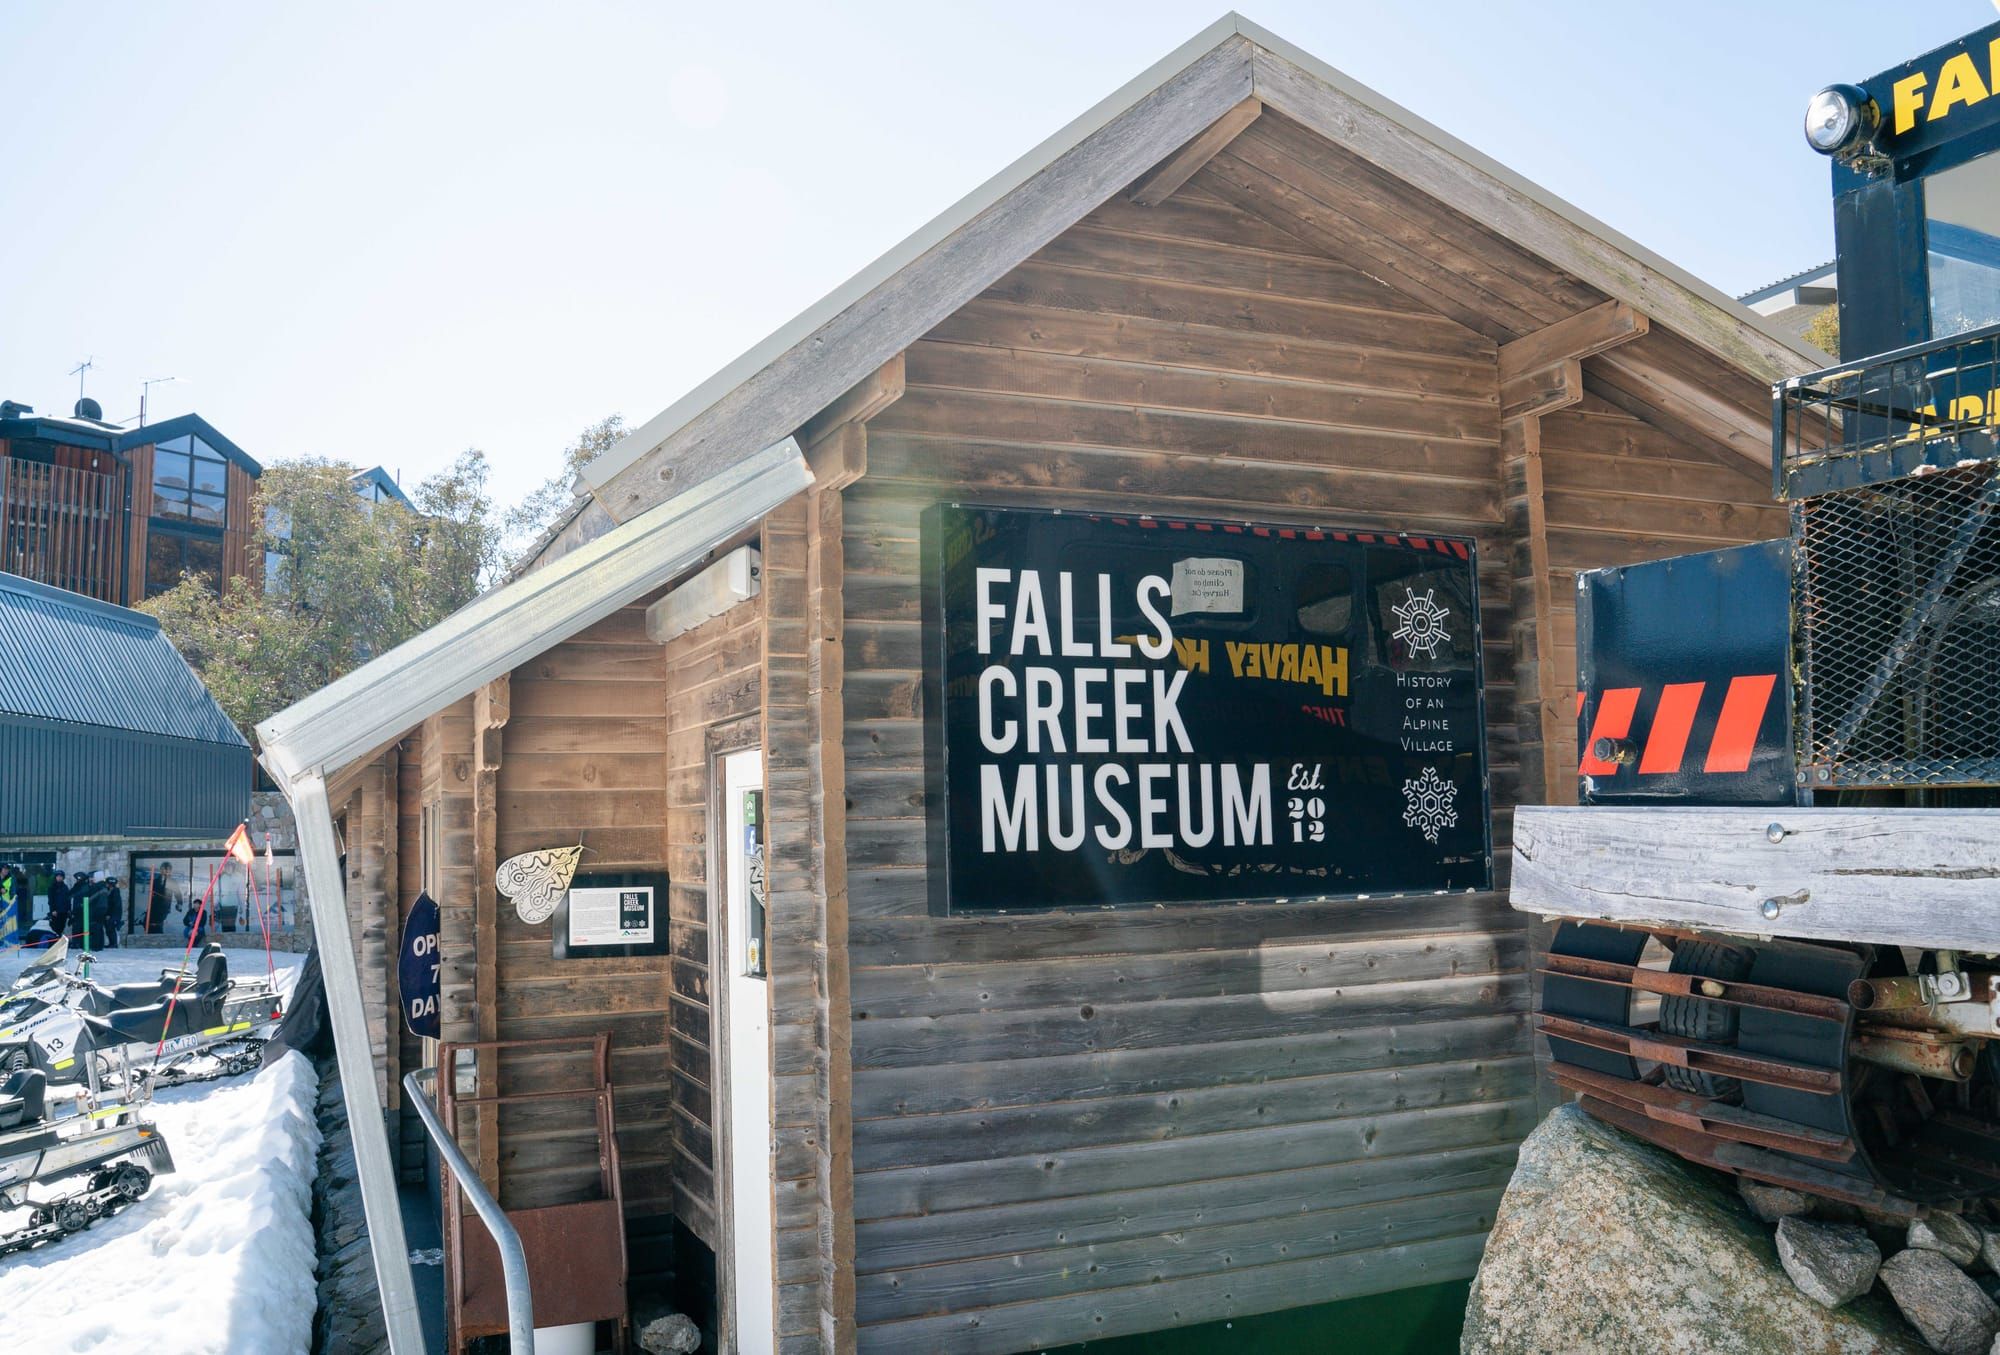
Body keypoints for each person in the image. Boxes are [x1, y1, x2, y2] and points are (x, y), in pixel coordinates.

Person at [47, 870, 70, 941]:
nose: (59, 878)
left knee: (62, 927)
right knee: (55, 927)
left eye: (61, 877)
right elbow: (51, 900)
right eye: (58, 876)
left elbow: (67, 899)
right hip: (56, 911)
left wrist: (68, 910)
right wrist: (53, 910)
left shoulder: (65, 887)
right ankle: (55, 941)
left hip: (64, 911)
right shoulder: (52, 887)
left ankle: (59, 940)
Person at [148, 864, 170, 933]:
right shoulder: (155, 881)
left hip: (164, 907)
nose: (163, 871)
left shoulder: (170, 882)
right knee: (152, 923)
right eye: (162, 869)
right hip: (155, 906)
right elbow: (151, 892)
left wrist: (179, 903)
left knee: (159, 923)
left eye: (165, 869)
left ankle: (159, 934)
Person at [102, 876, 123, 949]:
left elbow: (114, 905)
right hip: (111, 914)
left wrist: (109, 914)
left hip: (113, 914)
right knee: (108, 929)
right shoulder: (110, 891)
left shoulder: (115, 892)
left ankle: (113, 944)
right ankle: (111, 943)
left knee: (111, 929)